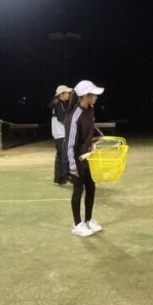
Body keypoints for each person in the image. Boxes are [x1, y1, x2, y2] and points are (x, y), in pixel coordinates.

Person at [65, 80, 106, 237]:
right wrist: (72, 166)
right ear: (86, 96)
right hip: (76, 159)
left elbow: (90, 126)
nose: (96, 97)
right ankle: (77, 224)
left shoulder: (90, 109)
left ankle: (88, 220)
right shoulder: (75, 116)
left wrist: (98, 134)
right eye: (94, 95)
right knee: (78, 190)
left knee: (91, 187)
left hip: (88, 157)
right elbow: (70, 144)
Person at [50, 85, 73, 185]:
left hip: (60, 133)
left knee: (60, 155)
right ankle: (64, 176)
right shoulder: (58, 103)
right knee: (64, 155)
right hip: (60, 133)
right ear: (61, 94)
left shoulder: (59, 103)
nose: (69, 95)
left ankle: (59, 179)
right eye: (67, 93)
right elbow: (63, 119)